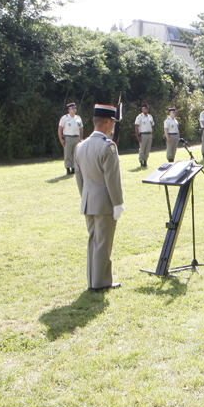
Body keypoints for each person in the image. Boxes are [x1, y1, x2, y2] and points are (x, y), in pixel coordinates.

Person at [74, 104, 125, 291]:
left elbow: (79, 178)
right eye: (112, 123)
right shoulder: (108, 146)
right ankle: (101, 283)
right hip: (104, 203)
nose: (112, 127)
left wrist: (86, 197)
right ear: (107, 122)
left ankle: (93, 281)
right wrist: (117, 203)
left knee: (93, 242)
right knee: (103, 243)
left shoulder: (80, 146)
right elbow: (112, 179)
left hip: (89, 201)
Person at [58, 102, 83, 175]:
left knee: (75, 154)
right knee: (68, 154)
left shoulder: (78, 118)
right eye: (72, 108)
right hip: (68, 137)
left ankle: (74, 168)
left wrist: (80, 138)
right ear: (68, 110)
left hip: (76, 137)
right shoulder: (65, 118)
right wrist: (60, 138)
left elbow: (81, 129)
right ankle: (68, 169)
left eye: (75, 108)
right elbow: (60, 128)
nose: (74, 110)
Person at [134, 103, 154, 168]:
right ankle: (141, 161)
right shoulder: (140, 117)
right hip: (143, 134)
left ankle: (145, 161)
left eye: (147, 109)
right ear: (142, 109)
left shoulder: (150, 116)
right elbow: (136, 126)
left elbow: (152, 125)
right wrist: (137, 135)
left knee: (147, 149)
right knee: (142, 149)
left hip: (149, 134)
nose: (146, 110)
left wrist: (152, 134)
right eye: (145, 109)